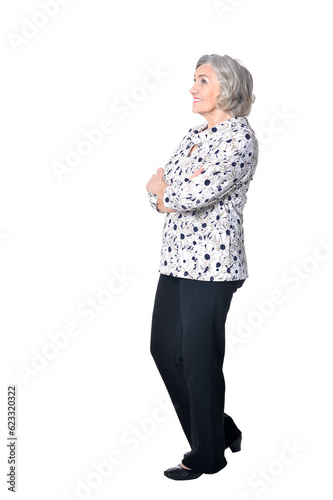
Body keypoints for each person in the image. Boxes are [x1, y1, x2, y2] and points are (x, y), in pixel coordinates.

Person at [145, 53, 259, 481]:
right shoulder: (193, 136)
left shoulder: (238, 139)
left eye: (203, 80)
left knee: (197, 360)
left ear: (226, 89)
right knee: (163, 351)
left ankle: (208, 455)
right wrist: (163, 192)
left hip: (212, 268)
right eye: (194, 79)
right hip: (175, 260)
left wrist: (164, 192)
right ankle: (220, 429)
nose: (193, 88)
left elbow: (192, 194)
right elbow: (159, 186)